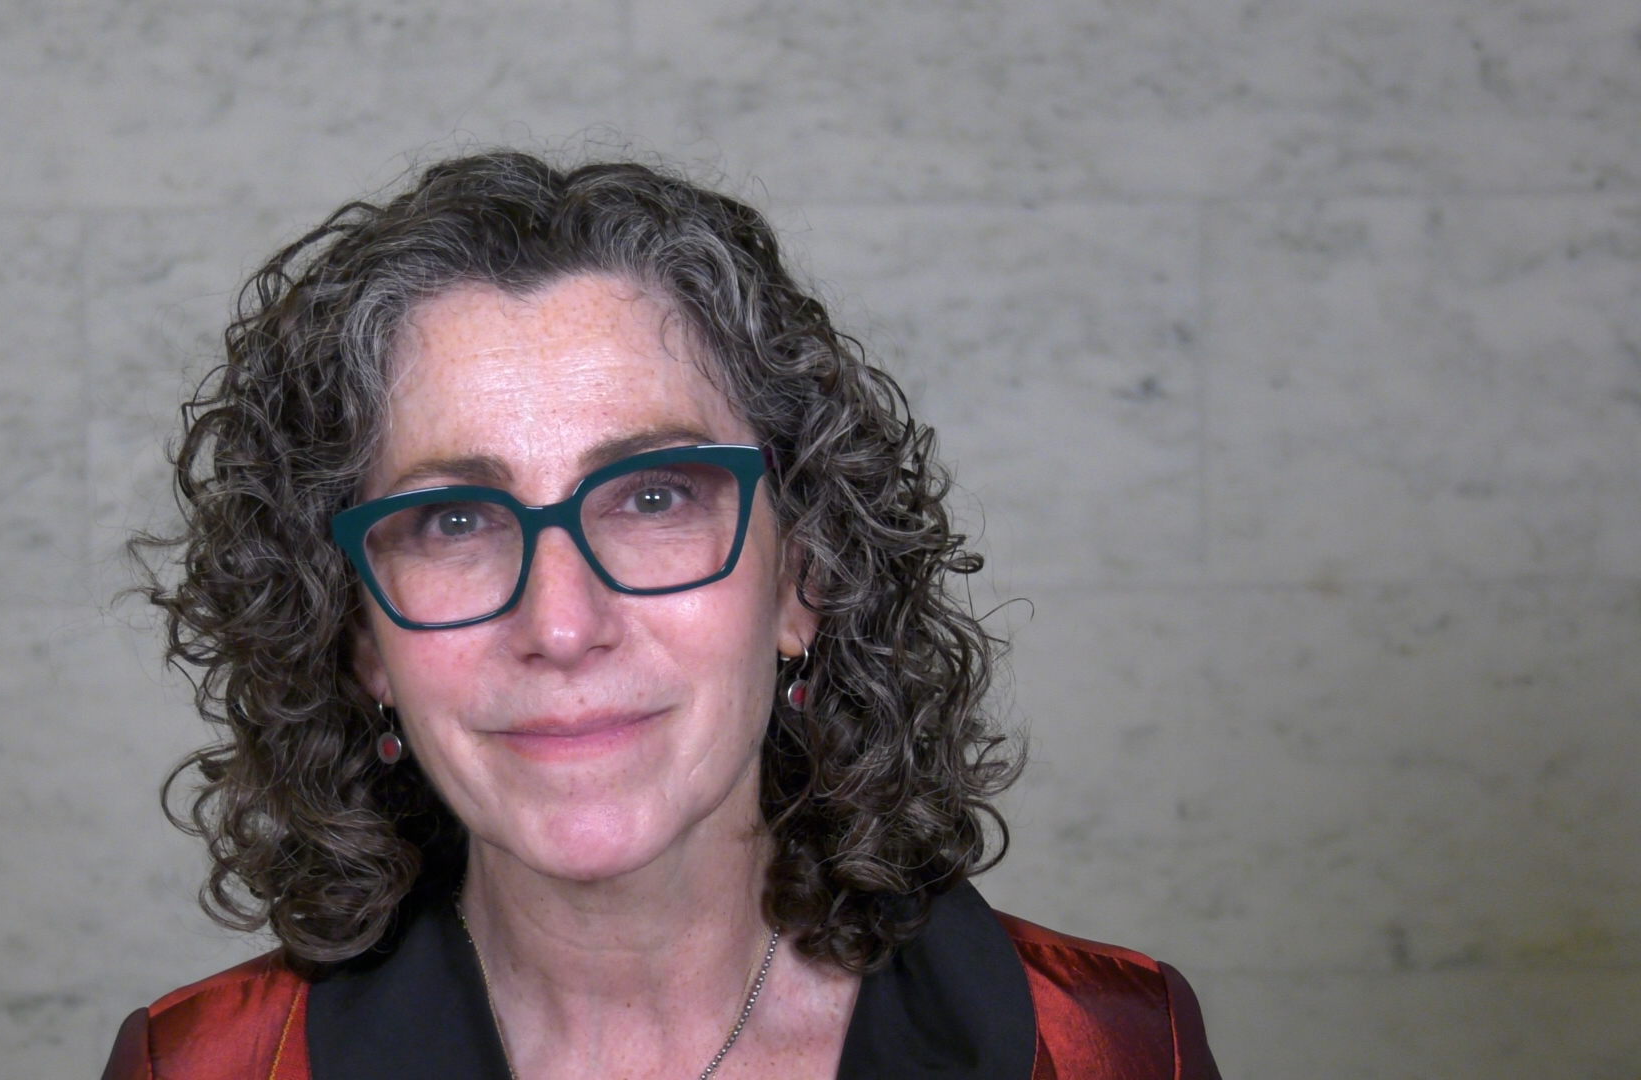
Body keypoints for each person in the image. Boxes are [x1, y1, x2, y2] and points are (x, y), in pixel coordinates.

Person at [105, 152, 1221, 1080]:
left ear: (803, 579)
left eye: (654, 499)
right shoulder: (203, 1066)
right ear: (361, 639)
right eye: (453, 520)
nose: (561, 625)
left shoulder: (1113, 1049)